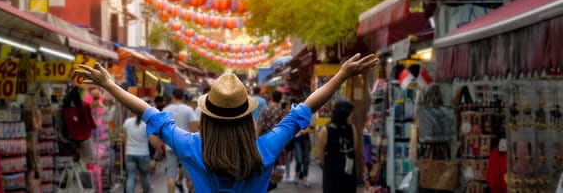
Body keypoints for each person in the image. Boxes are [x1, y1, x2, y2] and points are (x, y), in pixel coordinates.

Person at [76, 53, 376, 193]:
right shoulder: (265, 149)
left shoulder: (193, 147)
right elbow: (307, 107)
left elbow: (148, 112)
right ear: (247, 116)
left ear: (207, 116)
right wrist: (342, 75)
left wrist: (110, 86)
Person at [317, 100, 359, 193]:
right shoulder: (326, 130)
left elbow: (355, 148)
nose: (351, 116)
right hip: (333, 171)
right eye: (350, 113)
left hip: (346, 171)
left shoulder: (352, 128)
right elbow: (320, 153)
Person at [163, 88, 198, 193]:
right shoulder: (188, 110)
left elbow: (162, 129)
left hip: (170, 146)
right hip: (186, 146)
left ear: (172, 96)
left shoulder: (165, 110)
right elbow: (194, 128)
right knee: (189, 176)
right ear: (183, 97)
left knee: (171, 176)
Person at [122, 112, 162, 193]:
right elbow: (152, 140)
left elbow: (124, 139)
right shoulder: (146, 124)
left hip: (130, 153)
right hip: (143, 154)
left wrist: (128, 149)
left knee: (131, 177)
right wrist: (159, 150)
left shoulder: (127, 122)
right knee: (144, 175)